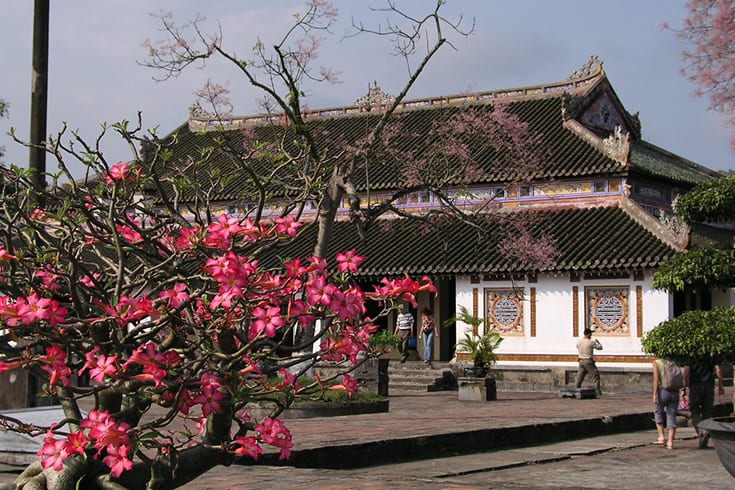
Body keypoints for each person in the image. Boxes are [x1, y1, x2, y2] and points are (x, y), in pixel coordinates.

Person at [685, 360, 724, 448]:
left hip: (695, 385)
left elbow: (686, 372)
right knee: (707, 412)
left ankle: (701, 430)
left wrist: (685, 385)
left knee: (694, 411)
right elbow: (718, 369)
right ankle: (704, 438)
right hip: (709, 385)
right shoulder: (710, 355)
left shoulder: (692, 356)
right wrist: (721, 385)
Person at [653, 358, 680, 449]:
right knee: (671, 415)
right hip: (675, 391)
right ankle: (670, 442)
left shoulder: (657, 363)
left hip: (663, 391)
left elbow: (656, 380)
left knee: (658, 411)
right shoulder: (675, 362)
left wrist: (654, 394)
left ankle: (661, 436)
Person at [575, 328, 603, 394]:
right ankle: (597, 391)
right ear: (588, 334)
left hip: (581, 361)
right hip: (588, 361)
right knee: (595, 376)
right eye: (590, 334)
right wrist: (598, 342)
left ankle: (576, 389)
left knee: (580, 376)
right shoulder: (591, 342)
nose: (591, 335)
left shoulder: (579, 342)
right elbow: (600, 347)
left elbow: (578, 347)